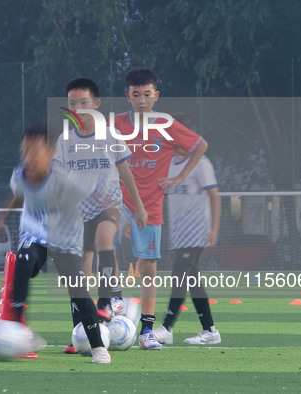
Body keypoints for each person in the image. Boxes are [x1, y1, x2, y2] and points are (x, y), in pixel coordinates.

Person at [113, 68, 208, 350]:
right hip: (118, 200)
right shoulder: (116, 123)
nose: (141, 100)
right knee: (104, 245)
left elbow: (201, 145)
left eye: (146, 94)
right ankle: (114, 300)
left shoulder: (167, 125)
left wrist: (180, 177)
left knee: (148, 269)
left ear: (156, 96)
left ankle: (146, 332)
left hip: (150, 206)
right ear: (127, 96)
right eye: (135, 94)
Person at [5, 122, 112, 363]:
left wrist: (104, 200)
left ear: (51, 154)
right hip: (34, 236)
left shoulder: (66, 179)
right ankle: (18, 333)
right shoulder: (19, 176)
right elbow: (17, 194)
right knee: (22, 262)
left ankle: (98, 348)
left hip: (65, 241)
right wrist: (2, 214)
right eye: (25, 151)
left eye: (35, 152)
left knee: (79, 293)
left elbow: (93, 191)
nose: (28, 158)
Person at [54, 77, 147, 354]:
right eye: (73, 104)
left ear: (96, 104)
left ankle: (108, 300)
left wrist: (139, 206)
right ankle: (79, 331)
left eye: (84, 103)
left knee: (105, 239)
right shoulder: (65, 140)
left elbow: (126, 172)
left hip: (108, 206)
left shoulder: (110, 135)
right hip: (75, 212)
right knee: (79, 270)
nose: (79, 108)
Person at [152, 114, 222, 345]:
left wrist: (214, 229)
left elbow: (214, 196)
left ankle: (166, 328)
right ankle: (210, 330)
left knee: (179, 276)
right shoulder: (168, 164)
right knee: (193, 282)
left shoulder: (202, 163)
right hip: (178, 235)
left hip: (197, 233)